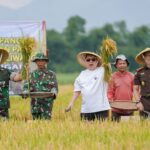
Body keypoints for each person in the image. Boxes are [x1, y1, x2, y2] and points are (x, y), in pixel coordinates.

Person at [65, 51, 110, 121]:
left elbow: (108, 68)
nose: (91, 62)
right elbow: (77, 91)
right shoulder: (81, 75)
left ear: (97, 61)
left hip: (101, 108)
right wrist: (71, 103)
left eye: (93, 59)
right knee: (86, 131)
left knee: (102, 130)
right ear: (85, 62)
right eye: (88, 60)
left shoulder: (103, 71)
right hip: (86, 109)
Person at [23, 52, 58, 120]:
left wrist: (53, 92)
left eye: (42, 61)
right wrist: (25, 91)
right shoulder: (31, 74)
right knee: (36, 124)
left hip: (47, 104)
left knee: (46, 123)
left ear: (45, 62)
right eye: (38, 61)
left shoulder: (51, 74)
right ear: (36, 62)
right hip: (35, 104)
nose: (40, 63)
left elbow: (55, 88)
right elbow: (26, 86)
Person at [107, 54, 134, 121]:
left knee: (130, 128)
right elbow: (110, 91)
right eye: (120, 63)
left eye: (124, 63)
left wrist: (137, 102)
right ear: (116, 65)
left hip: (129, 108)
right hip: (116, 108)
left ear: (127, 64)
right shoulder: (112, 77)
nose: (122, 65)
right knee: (115, 129)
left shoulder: (131, 76)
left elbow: (136, 90)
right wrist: (110, 100)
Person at [0, 48, 22, 120]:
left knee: (5, 127)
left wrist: (24, 71)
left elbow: (17, 78)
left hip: (2, 106)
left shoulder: (5, 72)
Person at [134, 48, 150, 118]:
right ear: (144, 57)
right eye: (148, 55)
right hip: (144, 102)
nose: (149, 57)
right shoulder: (139, 72)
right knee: (144, 125)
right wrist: (138, 102)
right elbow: (135, 89)